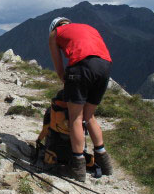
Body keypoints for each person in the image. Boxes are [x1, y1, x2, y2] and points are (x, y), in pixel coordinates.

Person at [48, 17, 113, 181]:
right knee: (89, 116)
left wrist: (65, 79)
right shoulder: (88, 27)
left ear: (55, 26)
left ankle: (77, 166)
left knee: (75, 118)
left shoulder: (55, 33)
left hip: (81, 66)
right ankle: (104, 162)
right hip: (104, 66)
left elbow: (58, 64)